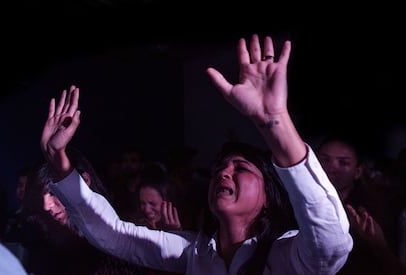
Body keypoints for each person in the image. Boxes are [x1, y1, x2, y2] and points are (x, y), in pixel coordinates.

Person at [40, 34, 353, 274]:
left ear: (268, 197)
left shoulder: (284, 255)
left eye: (240, 167)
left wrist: (275, 119)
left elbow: (331, 244)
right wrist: (57, 157)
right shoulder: (194, 253)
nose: (224, 172)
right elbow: (112, 233)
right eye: (220, 167)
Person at [316, 134, 406, 275]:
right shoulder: (298, 202)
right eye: (324, 160)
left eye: (343, 163)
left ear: (357, 172)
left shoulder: (370, 213)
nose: (331, 169)